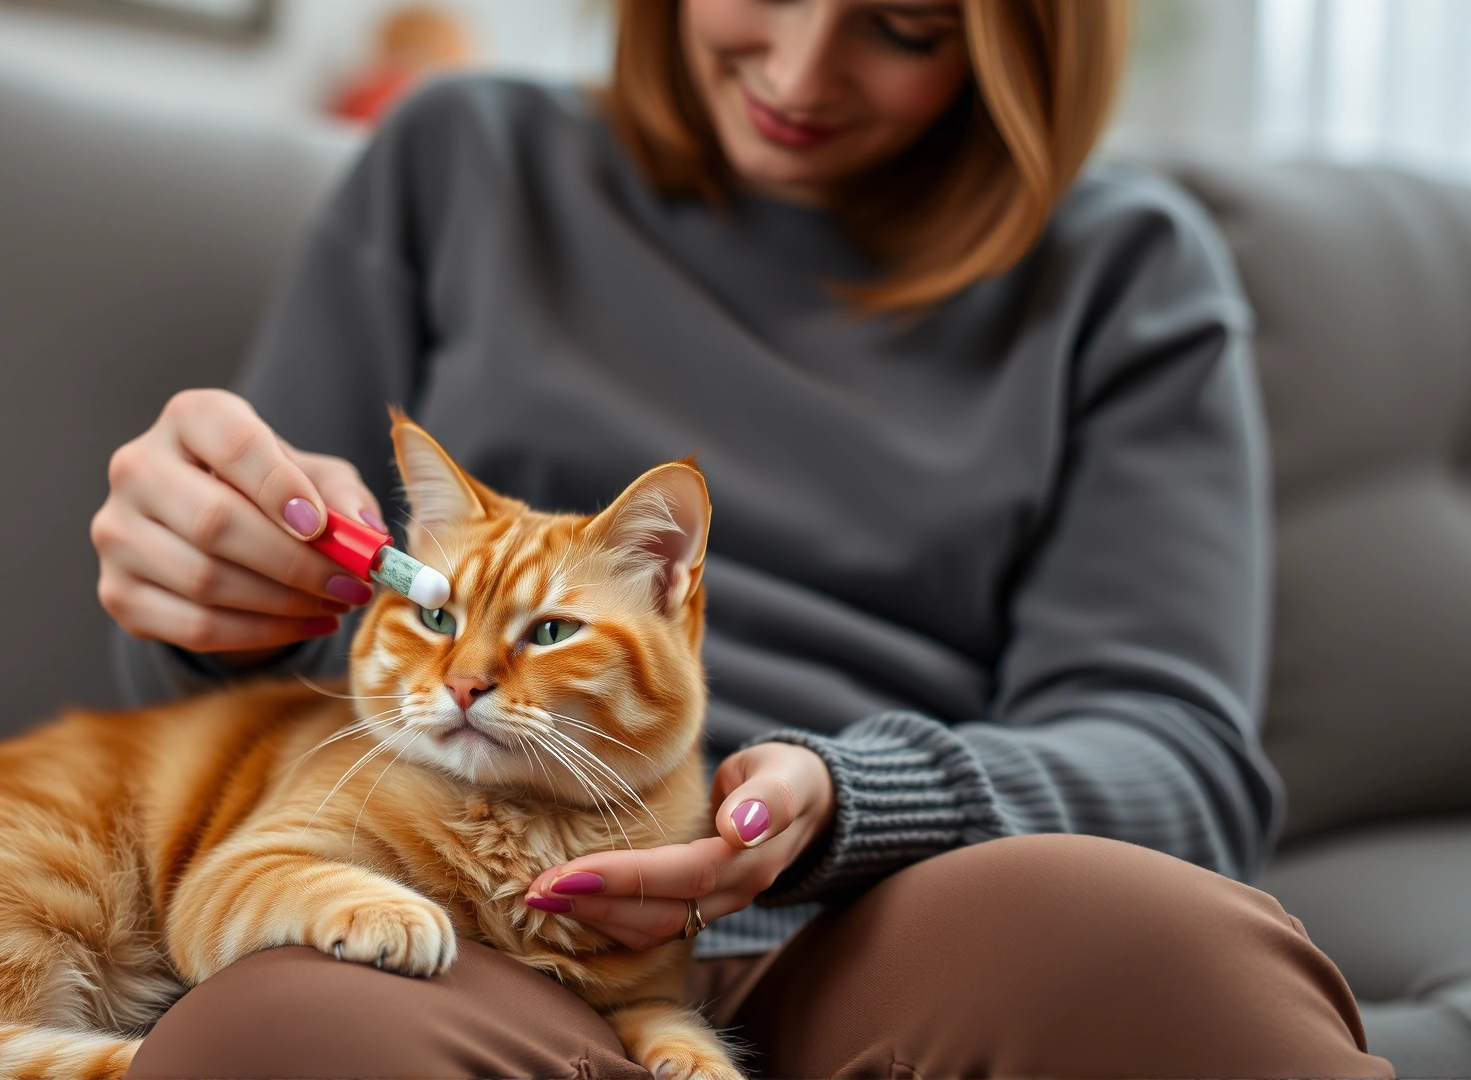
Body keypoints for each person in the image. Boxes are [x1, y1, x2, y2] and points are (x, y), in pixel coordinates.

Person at [91, 1, 1393, 1075]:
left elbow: (1180, 765)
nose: (800, 66)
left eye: (903, 24)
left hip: (888, 909)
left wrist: (849, 805)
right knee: (291, 1037)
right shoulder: (459, 160)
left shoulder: (1129, 274)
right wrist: (204, 598)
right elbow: (258, 683)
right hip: (462, 897)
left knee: (1160, 953)